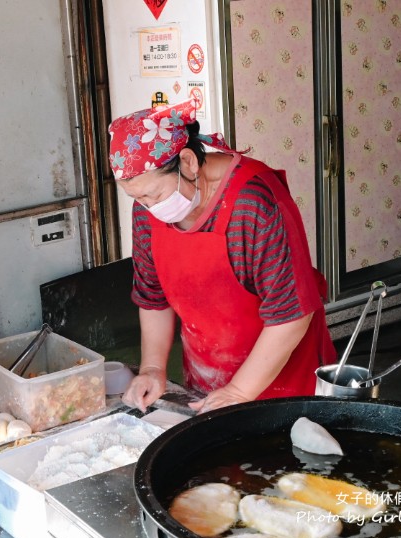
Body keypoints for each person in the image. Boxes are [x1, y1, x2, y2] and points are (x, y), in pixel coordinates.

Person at [109, 99, 336, 414]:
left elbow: (292, 312)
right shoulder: (146, 212)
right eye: (137, 198)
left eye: (154, 195)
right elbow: (153, 297)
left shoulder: (253, 203)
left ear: (188, 162)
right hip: (208, 383)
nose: (149, 208)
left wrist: (239, 391)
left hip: (285, 386)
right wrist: (152, 368)